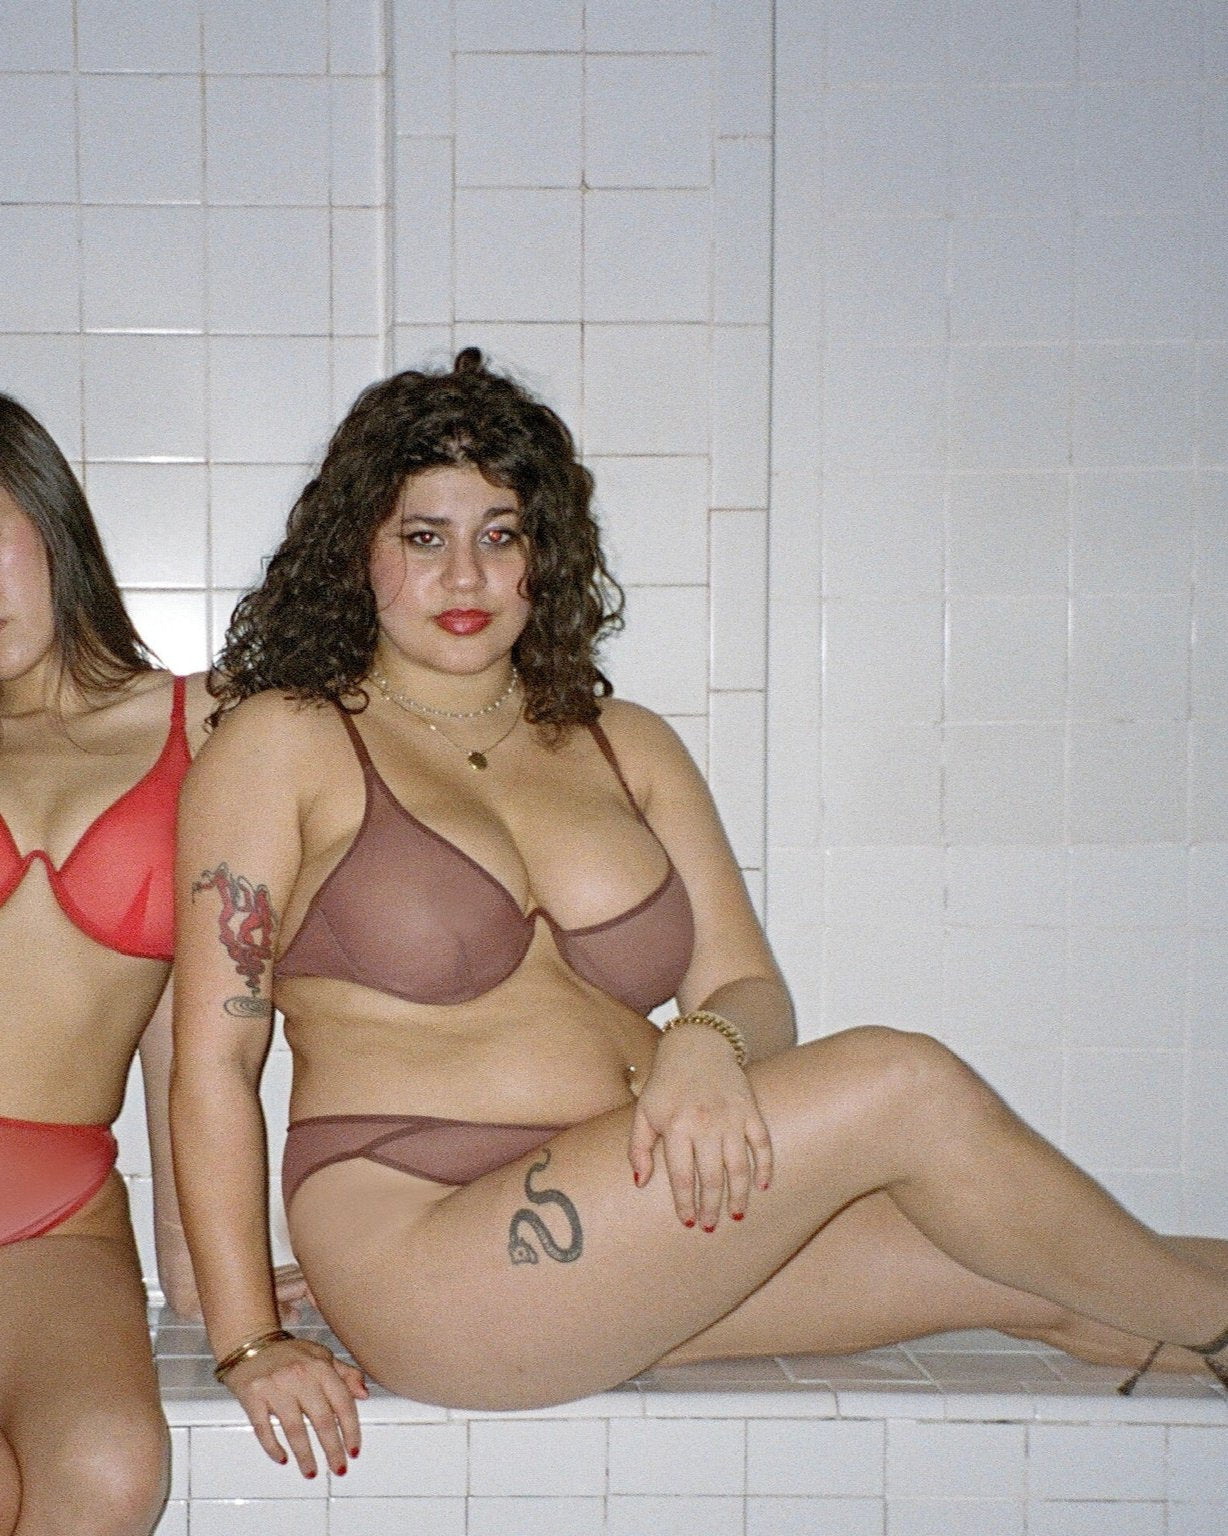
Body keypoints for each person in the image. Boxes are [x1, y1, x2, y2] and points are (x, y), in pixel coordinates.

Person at [172, 349, 1228, 1482]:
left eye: (502, 533)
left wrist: (709, 1044)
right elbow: (215, 1064)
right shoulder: (285, 741)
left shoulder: (625, 744)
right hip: (429, 1253)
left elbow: (747, 989)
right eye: (424, 536)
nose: (466, 573)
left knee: (1043, 1272)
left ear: (544, 554)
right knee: (902, 1083)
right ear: (357, 551)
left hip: (643, 1215)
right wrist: (247, 1340)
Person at [0, 394, 303, 1535]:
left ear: (46, 512)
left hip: (60, 1217)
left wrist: (213, 1287)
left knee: (111, 1468)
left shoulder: (210, 725)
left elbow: (200, 1035)